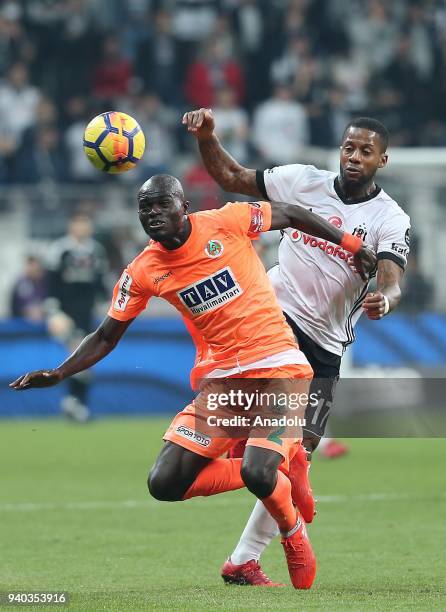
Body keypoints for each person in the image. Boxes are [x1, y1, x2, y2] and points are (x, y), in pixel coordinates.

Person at [10, 174, 375, 590]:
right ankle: (285, 468)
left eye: (161, 204)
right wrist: (60, 372)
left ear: (183, 207)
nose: (152, 214)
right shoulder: (144, 269)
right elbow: (107, 334)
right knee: (164, 483)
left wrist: (353, 245)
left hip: (279, 369)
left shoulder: (228, 220)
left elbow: (291, 213)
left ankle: (292, 532)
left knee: (259, 473)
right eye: (144, 208)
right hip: (223, 384)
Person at [182, 109, 411, 585]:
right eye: (349, 147)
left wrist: (384, 301)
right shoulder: (301, 181)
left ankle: (243, 558)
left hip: (325, 347)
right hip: (271, 325)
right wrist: (208, 137)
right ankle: (236, 467)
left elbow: (391, 277)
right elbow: (230, 175)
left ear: (382, 160)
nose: (353, 157)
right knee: (277, 457)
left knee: (294, 453)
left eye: (365, 151)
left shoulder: (390, 218)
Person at [45, 213, 109, 422]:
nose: (82, 228)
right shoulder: (60, 250)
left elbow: (101, 284)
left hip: (87, 312)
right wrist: (53, 311)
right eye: (78, 223)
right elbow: (51, 283)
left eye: (85, 224)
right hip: (65, 313)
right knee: (78, 354)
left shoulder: (96, 251)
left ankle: (74, 402)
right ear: (71, 226)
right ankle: (75, 403)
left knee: (86, 361)